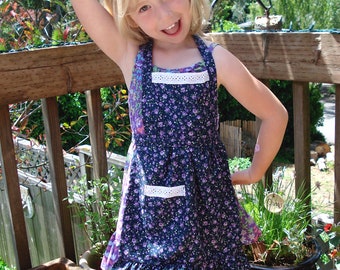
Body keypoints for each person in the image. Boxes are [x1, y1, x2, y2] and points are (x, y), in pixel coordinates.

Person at [71, 0, 288, 269]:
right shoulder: (130, 54)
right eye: (143, 7)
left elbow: (275, 114)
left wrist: (255, 172)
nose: (164, 14)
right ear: (129, 19)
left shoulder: (216, 60)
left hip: (208, 208)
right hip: (151, 214)